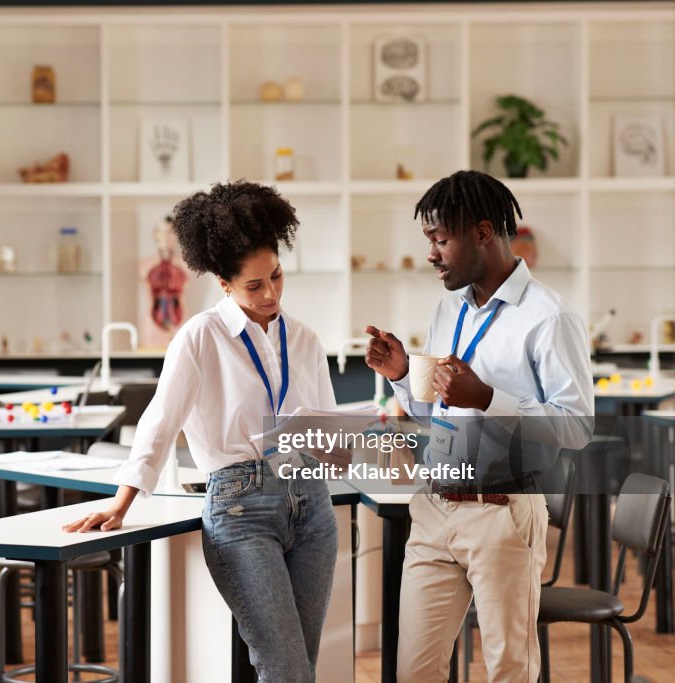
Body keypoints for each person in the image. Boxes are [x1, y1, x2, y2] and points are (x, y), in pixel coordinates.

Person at [64, 181, 345, 681]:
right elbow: (160, 419)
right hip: (241, 510)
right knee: (286, 670)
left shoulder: (303, 338)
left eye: (277, 277)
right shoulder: (199, 337)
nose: (271, 293)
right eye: (254, 286)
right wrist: (121, 501)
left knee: (301, 666)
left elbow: (325, 430)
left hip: (312, 506)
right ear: (223, 283)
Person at [364, 170, 593, 682]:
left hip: (502, 512)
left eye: (440, 239)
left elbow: (576, 427)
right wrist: (403, 375)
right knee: (414, 671)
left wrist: (488, 398)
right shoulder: (448, 310)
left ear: (483, 233)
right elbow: (436, 413)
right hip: (434, 509)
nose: (431, 253)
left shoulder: (550, 318)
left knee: (508, 670)